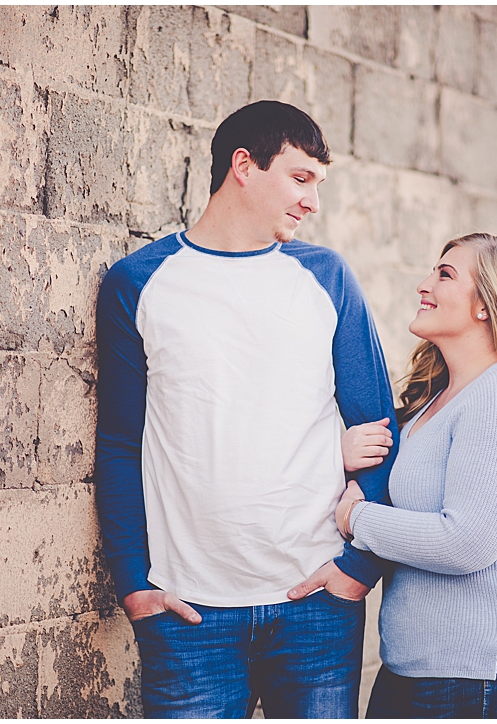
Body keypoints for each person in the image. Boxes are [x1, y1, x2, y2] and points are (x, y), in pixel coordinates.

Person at [93, 100, 399, 718]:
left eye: (318, 183)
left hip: (315, 603)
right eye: (301, 178)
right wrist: (132, 583)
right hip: (186, 612)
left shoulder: (327, 278)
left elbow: (380, 429)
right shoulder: (139, 282)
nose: (313, 202)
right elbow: (122, 442)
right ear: (244, 166)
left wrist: (356, 569)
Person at [326, 232, 497, 718]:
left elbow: (466, 542)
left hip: (487, 672)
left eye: (444, 274)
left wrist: (357, 520)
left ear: (487, 305)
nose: (424, 285)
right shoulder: (435, 400)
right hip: (420, 667)